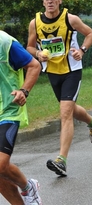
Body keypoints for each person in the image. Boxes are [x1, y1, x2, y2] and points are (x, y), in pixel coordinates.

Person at [26, 0, 92, 177]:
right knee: (69, 108)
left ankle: (62, 160)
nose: (50, 1)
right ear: (43, 2)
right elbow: (29, 46)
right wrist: (37, 54)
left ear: (60, 0)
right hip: (52, 71)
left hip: (72, 70)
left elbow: (91, 34)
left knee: (65, 113)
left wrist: (82, 50)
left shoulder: (70, 19)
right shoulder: (35, 23)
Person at [0, 30, 42, 204]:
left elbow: (34, 65)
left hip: (8, 109)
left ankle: (27, 187)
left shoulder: (4, 42)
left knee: (0, 164)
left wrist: (24, 90)